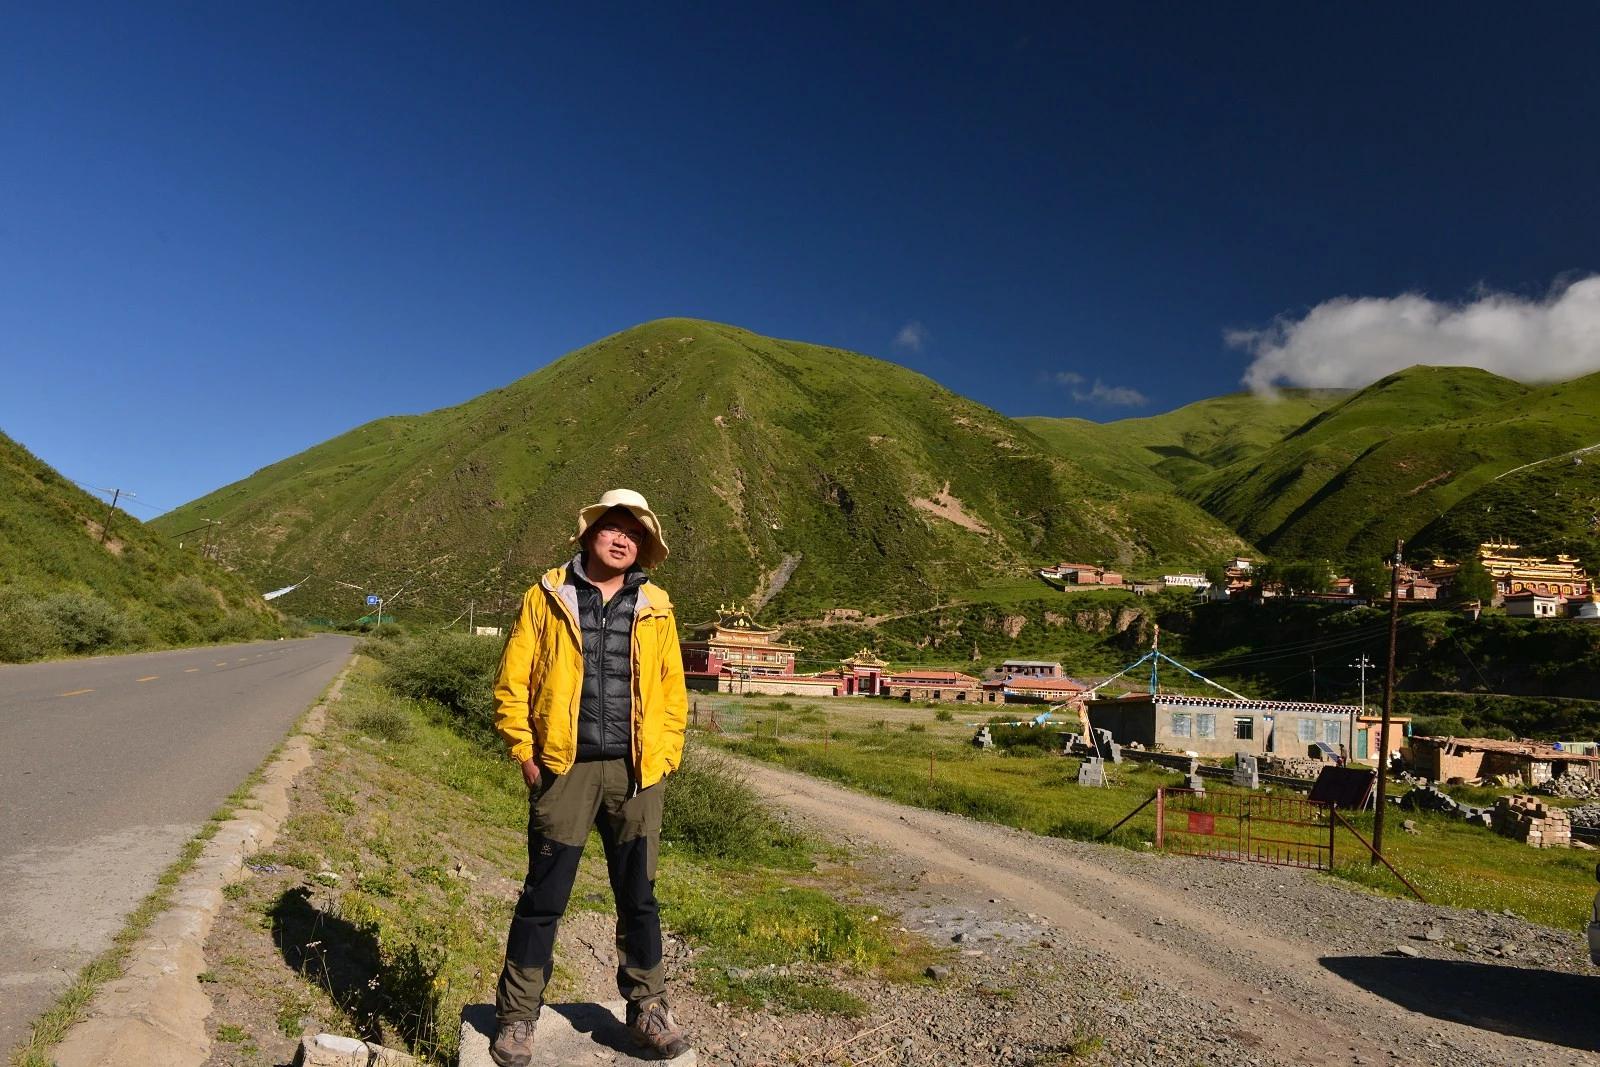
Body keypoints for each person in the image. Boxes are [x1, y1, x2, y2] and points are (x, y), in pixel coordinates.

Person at [489, 488, 692, 1065]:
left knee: (639, 898)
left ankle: (648, 1009)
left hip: (636, 774)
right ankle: (518, 1017)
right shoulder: (547, 597)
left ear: (645, 546)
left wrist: (667, 755)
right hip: (565, 768)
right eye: (613, 526)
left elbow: (673, 691)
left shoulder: (657, 605)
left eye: (635, 532)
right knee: (543, 897)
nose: (623, 538)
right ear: (590, 532)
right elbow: (514, 681)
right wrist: (526, 753)